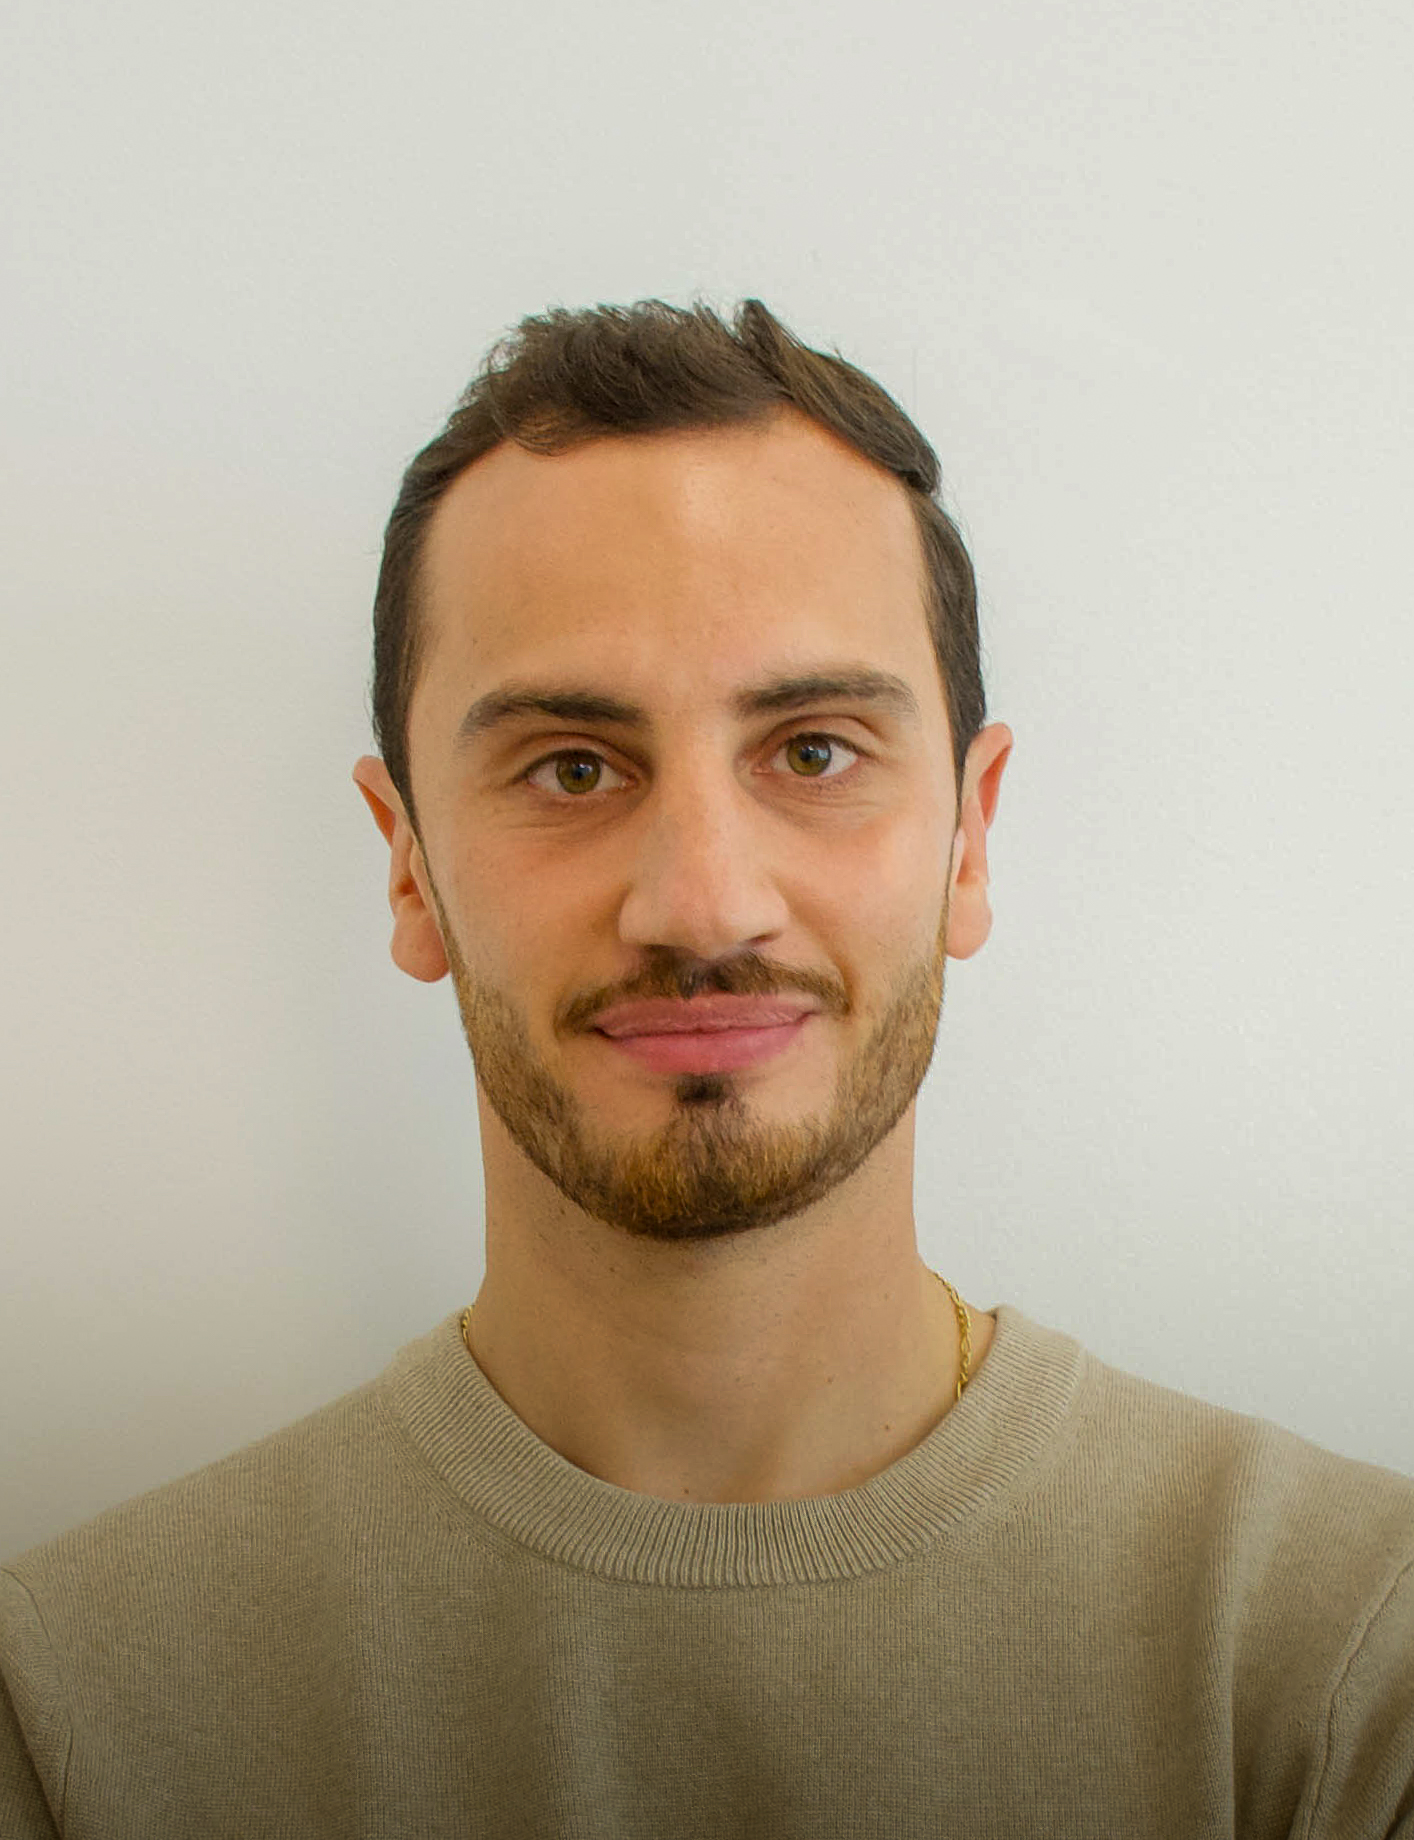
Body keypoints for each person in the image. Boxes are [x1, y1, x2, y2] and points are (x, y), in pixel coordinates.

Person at [2, 297, 1410, 1839]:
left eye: (811, 749)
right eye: (571, 766)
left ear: (970, 834)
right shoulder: (73, 1708)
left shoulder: (1343, 1655)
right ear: (407, 866)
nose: (700, 901)